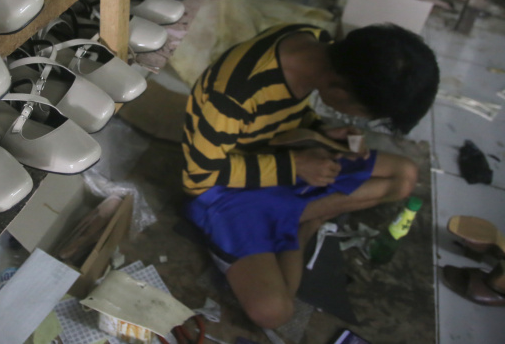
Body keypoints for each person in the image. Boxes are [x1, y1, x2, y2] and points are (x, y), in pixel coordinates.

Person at [181, 22, 439, 329]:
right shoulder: (233, 94)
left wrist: (319, 131)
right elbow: (197, 177)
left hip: (281, 153)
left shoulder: (313, 41)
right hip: (227, 188)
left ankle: (296, 214)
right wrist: (295, 165)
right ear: (338, 88)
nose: (355, 118)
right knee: (274, 312)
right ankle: (303, 227)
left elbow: (282, 113)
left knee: (405, 176)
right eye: (358, 112)